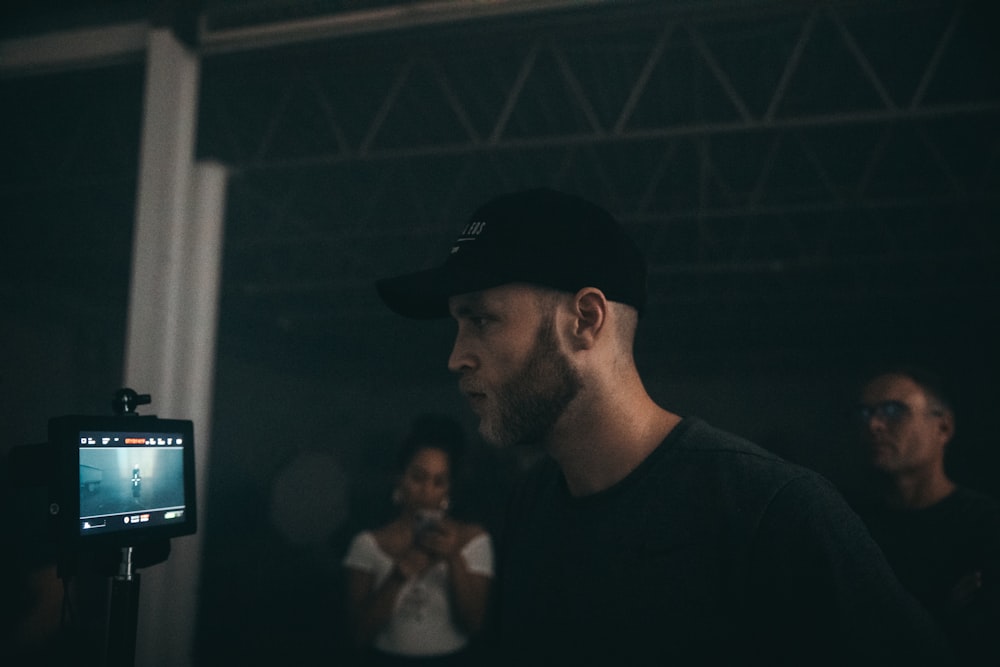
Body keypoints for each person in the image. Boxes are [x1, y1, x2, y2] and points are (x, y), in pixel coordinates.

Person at [375, 187, 955, 665]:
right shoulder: (532, 505)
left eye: (480, 318)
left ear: (584, 321)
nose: (456, 357)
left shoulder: (772, 513)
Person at [855, 367, 1000, 666]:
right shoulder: (854, 525)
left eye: (894, 410)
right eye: (865, 413)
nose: (874, 426)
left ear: (943, 427)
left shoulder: (987, 524)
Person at [343, 415, 494, 666]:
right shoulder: (368, 544)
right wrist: (399, 575)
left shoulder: (472, 540)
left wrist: (453, 558)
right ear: (400, 479)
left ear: (448, 490)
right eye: (418, 477)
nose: (427, 490)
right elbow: (358, 636)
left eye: (439, 481)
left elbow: (474, 625)